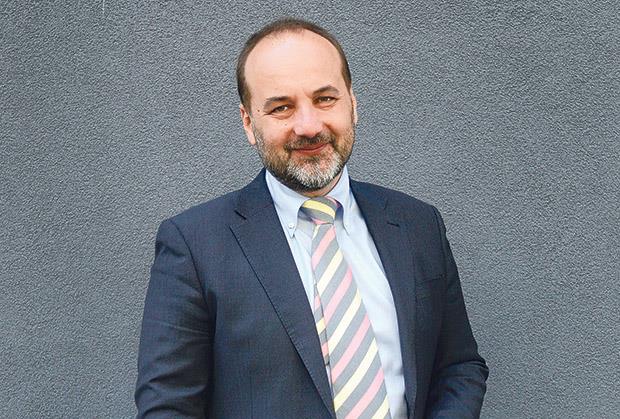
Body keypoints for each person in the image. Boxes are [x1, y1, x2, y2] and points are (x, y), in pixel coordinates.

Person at [135, 18, 488, 419]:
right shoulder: (195, 245)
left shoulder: (418, 225)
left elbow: (459, 366)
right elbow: (168, 406)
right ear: (249, 122)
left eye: (325, 99)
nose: (308, 126)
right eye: (281, 107)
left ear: (353, 103)